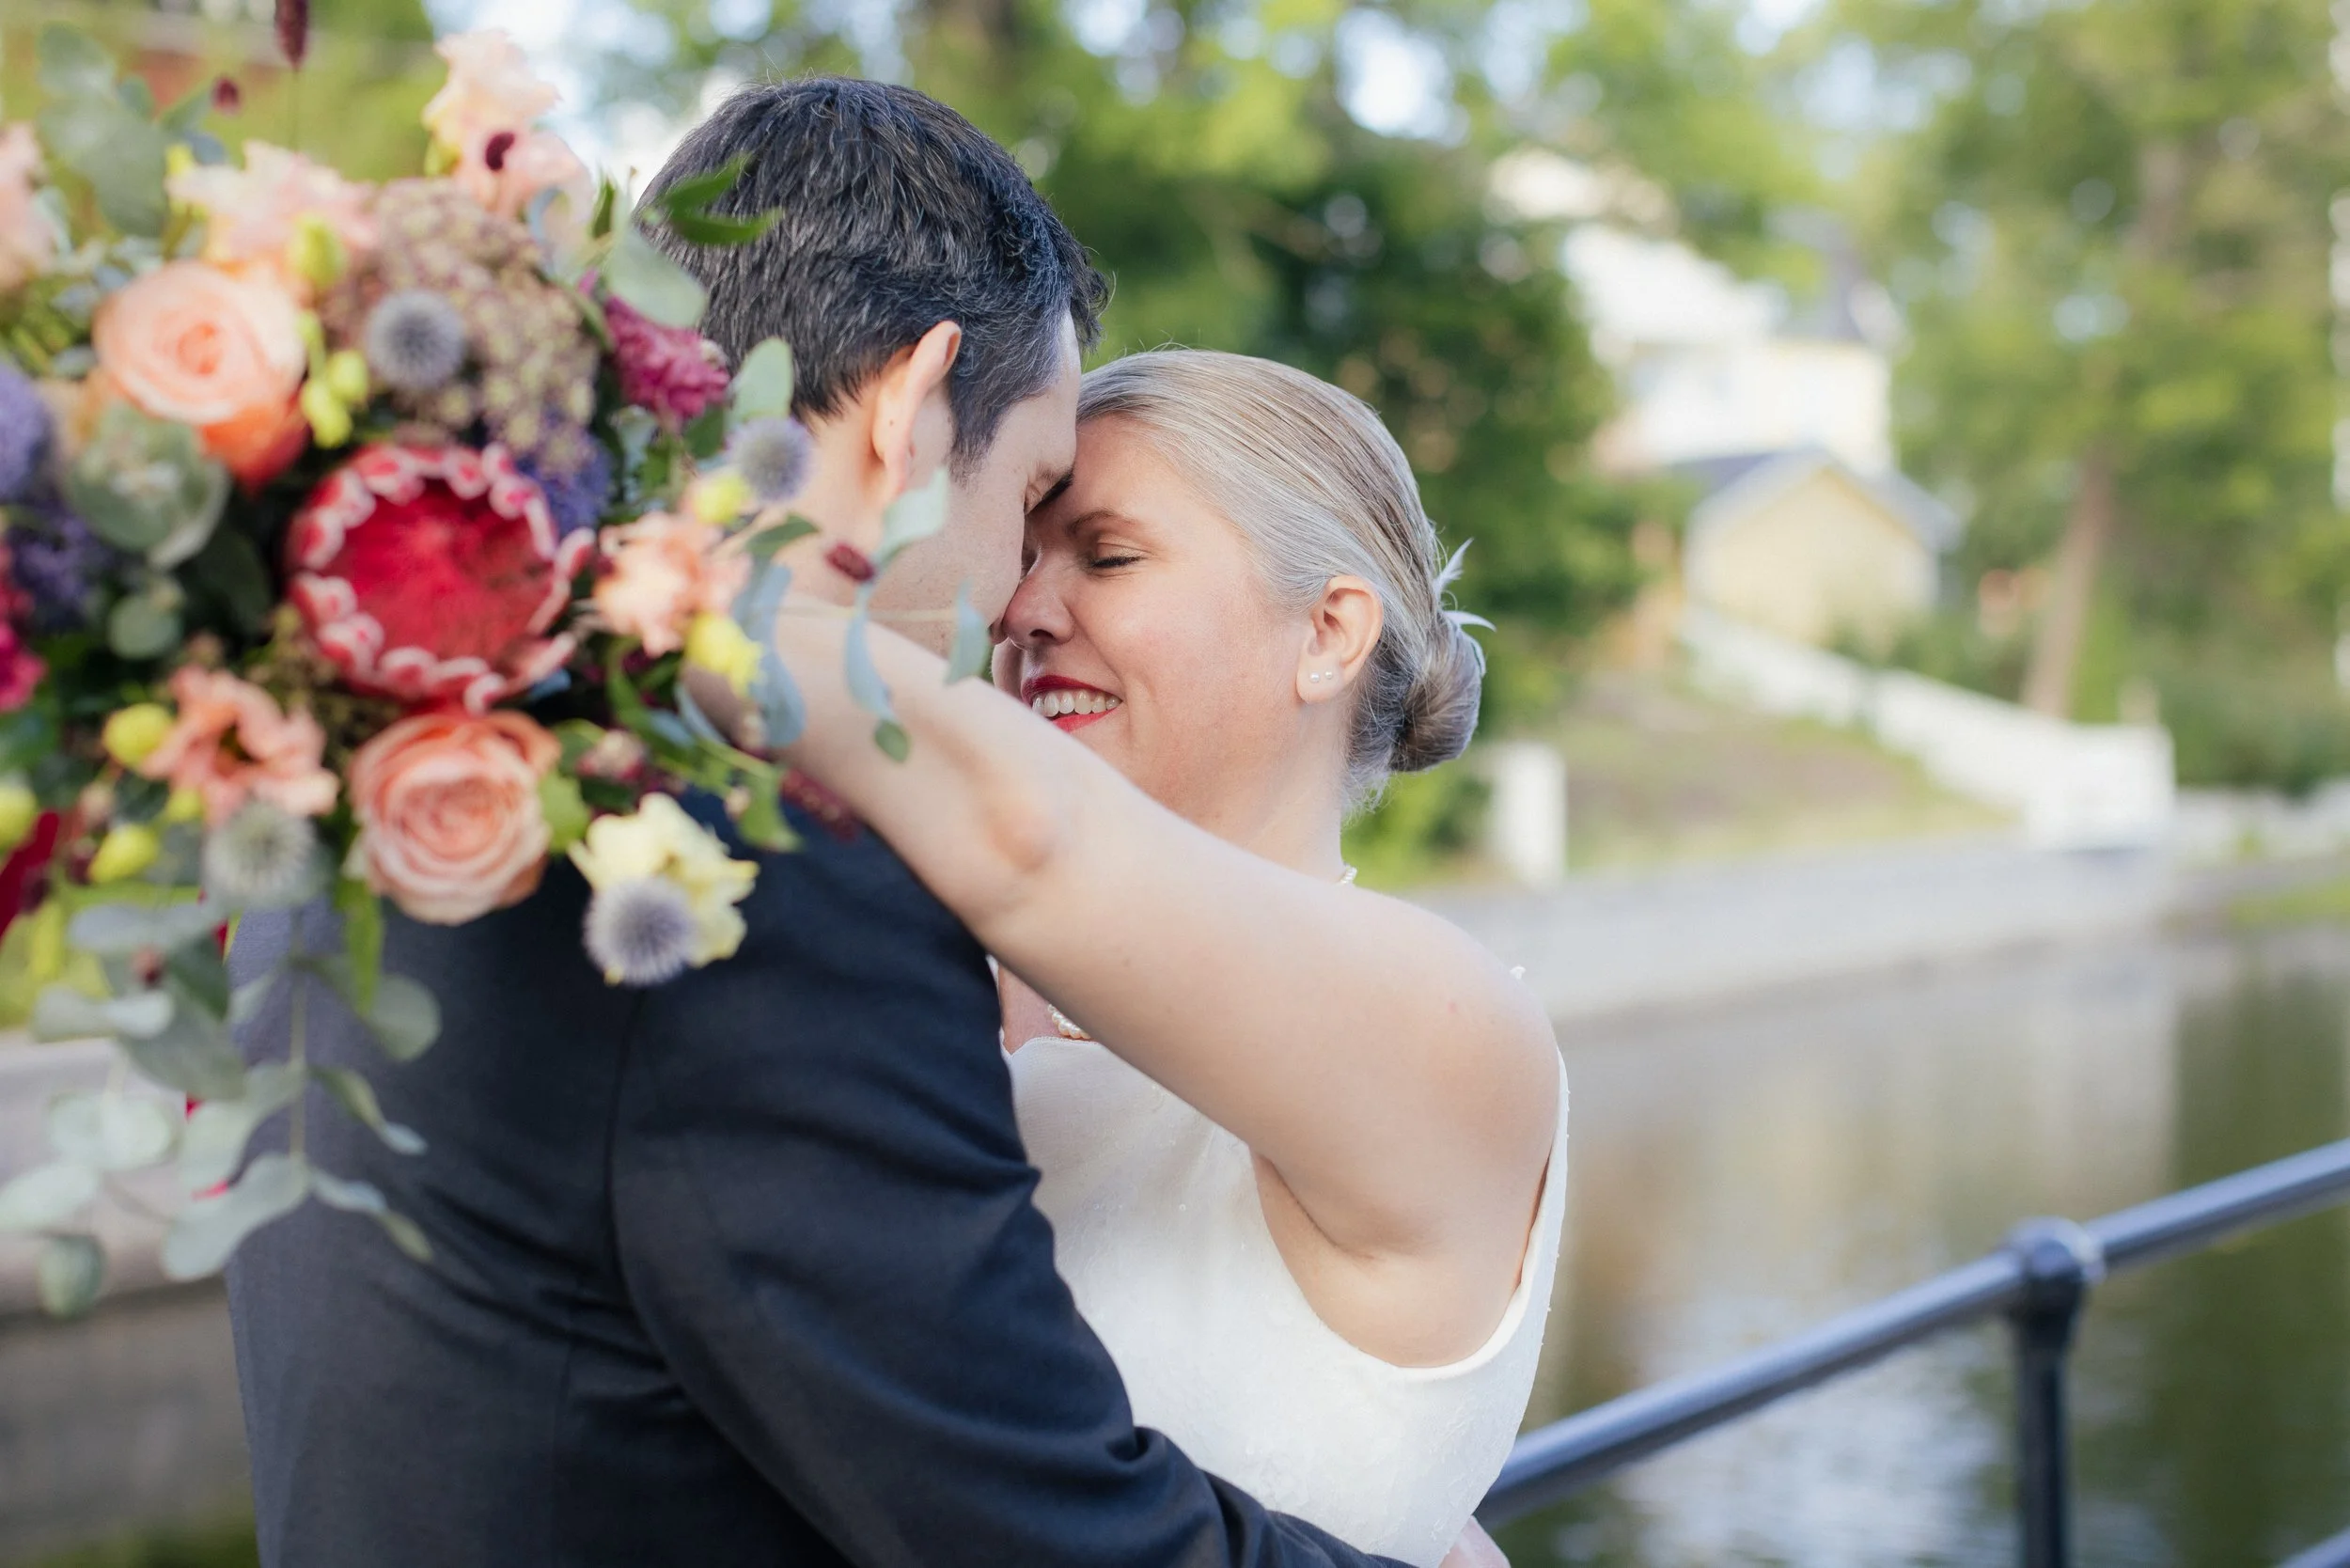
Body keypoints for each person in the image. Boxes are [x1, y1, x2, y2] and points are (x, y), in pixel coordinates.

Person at [223, 79, 1418, 1568]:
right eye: (1035, 494)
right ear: (915, 403)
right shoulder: (771, 858)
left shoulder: (388, 752)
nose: (1008, 605)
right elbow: (1040, 1533)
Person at [730, 349, 1566, 1568]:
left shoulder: (1447, 1029)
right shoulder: (917, 959)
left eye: (1109, 556)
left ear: (1330, 631)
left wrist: (662, 599)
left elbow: (1032, 841)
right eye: (1026, 552)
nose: (1019, 609)